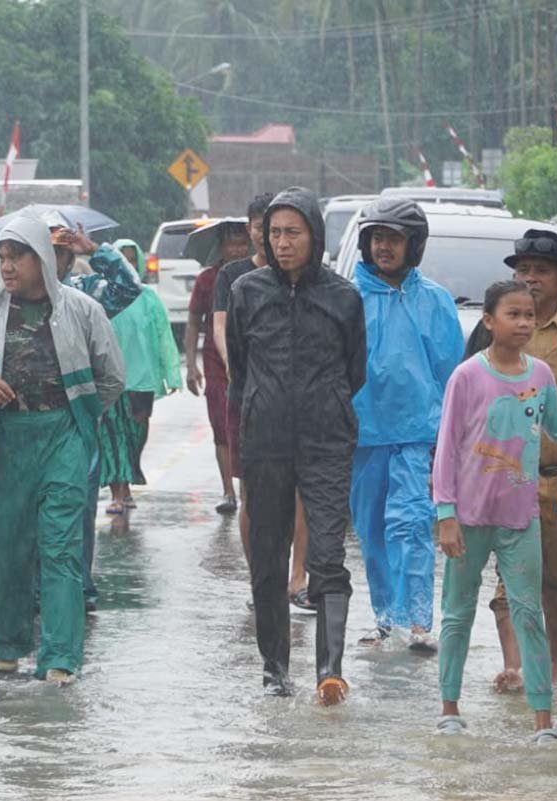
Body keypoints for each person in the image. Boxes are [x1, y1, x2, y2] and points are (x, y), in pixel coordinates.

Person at [0, 213, 124, 684]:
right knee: (1, 545)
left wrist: (79, 420)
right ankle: (6, 644)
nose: (7, 266)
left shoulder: (81, 310)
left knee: (61, 547)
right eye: (2, 257)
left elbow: (111, 377)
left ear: (42, 259)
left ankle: (61, 656)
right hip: (1, 441)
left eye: (18, 256)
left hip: (62, 435)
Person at [226, 187, 366, 704]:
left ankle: (329, 670)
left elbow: (356, 370)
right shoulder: (247, 292)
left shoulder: (343, 297)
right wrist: (266, 407)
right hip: (264, 441)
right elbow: (241, 369)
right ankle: (274, 670)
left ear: (315, 236)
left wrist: (322, 404)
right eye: (274, 233)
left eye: (293, 233)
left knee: (328, 554)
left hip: (327, 440)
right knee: (267, 556)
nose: (282, 243)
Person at [466, 228, 557, 689]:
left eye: (541, 271)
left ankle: (550, 659)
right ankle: (516, 664)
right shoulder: (488, 328)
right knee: (508, 578)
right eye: (523, 270)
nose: (530, 279)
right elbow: (465, 401)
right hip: (502, 475)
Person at [433, 280, 557, 743]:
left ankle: (543, 721)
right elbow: (446, 447)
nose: (525, 323)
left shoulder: (542, 376)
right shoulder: (467, 376)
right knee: (457, 612)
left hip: (520, 516)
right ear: (489, 320)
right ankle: (449, 708)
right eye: (513, 314)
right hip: (467, 517)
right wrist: (445, 513)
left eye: (530, 315)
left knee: (530, 613)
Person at [348, 198, 463, 652]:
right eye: (377, 238)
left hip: (417, 433)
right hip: (363, 433)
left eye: (393, 239)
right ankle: (385, 619)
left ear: (413, 245)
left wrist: (448, 434)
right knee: (371, 528)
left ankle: (417, 622)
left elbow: (451, 370)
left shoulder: (433, 299)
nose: (384, 247)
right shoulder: (348, 297)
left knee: (412, 523)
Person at [213, 193, 314, 613]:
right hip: (251, 398)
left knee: (301, 492)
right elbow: (224, 330)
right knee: (252, 492)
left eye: (288, 230)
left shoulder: (317, 284)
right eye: (266, 228)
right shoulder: (236, 279)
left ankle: (297, 577)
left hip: (303, 407)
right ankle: (263, 577)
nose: (273, 237)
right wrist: (240, 371)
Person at [55, 225, 138, 608]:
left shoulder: (85, 294)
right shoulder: (5, 302)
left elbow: (128, 287)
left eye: (59, 252)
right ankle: (39, 589)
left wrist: (96, 249)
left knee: (80, 507)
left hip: (77, 422)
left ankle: (80, 584)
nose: (48, 260)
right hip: (23, 424)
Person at [102, 238, 182, 514]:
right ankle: (117, 492)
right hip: (110, 379)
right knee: (112, 436)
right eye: (119, 259)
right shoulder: (100, 295)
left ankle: (129, 476)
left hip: (142, 379)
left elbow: (163, 336)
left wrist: (172, 375)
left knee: (135, 433)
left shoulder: (148, 297)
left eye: (129, 258)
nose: (126, 264)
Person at [185, 222, 252, 514]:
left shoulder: (260, 276)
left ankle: (248, 489)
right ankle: (228, 491)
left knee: (250, 427)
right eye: (230, 244)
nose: (236, 249)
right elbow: (193, 321)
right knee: (221, 426)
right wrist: (191, 364)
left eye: (241, 243)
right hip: (215, 362)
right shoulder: (207, 280)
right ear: (220, 247)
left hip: (252, 361)